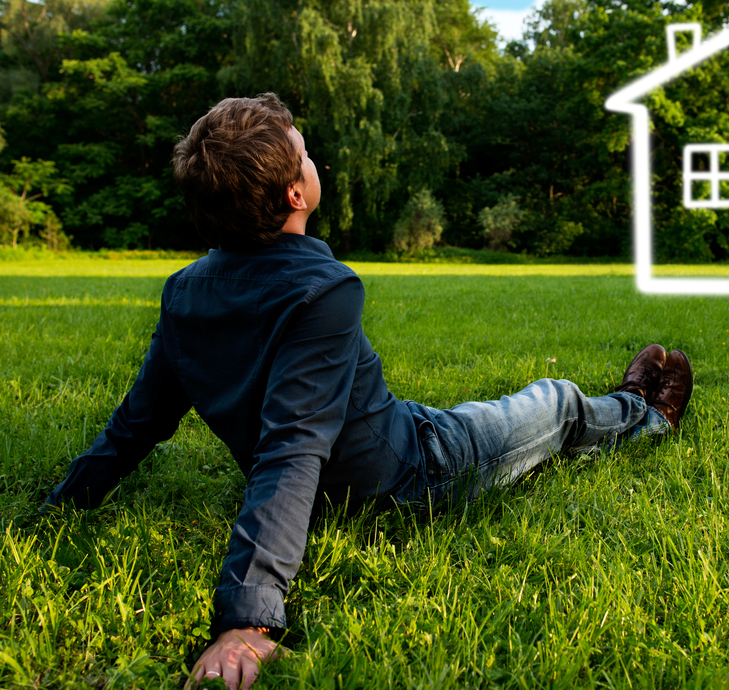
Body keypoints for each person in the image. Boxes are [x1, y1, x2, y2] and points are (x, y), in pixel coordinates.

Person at [43, 93, 693, 690]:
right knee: (553, 402)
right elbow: (291, 448)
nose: (311, 155)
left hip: (371, 446)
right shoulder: (323, 289)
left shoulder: (186, 288)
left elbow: (138, 423)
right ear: (296, 194)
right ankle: (646, 413)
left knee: (479, 412)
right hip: (413, 470)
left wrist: (64, 503)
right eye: (304, 152)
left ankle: (628, 406)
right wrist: (248, 619)